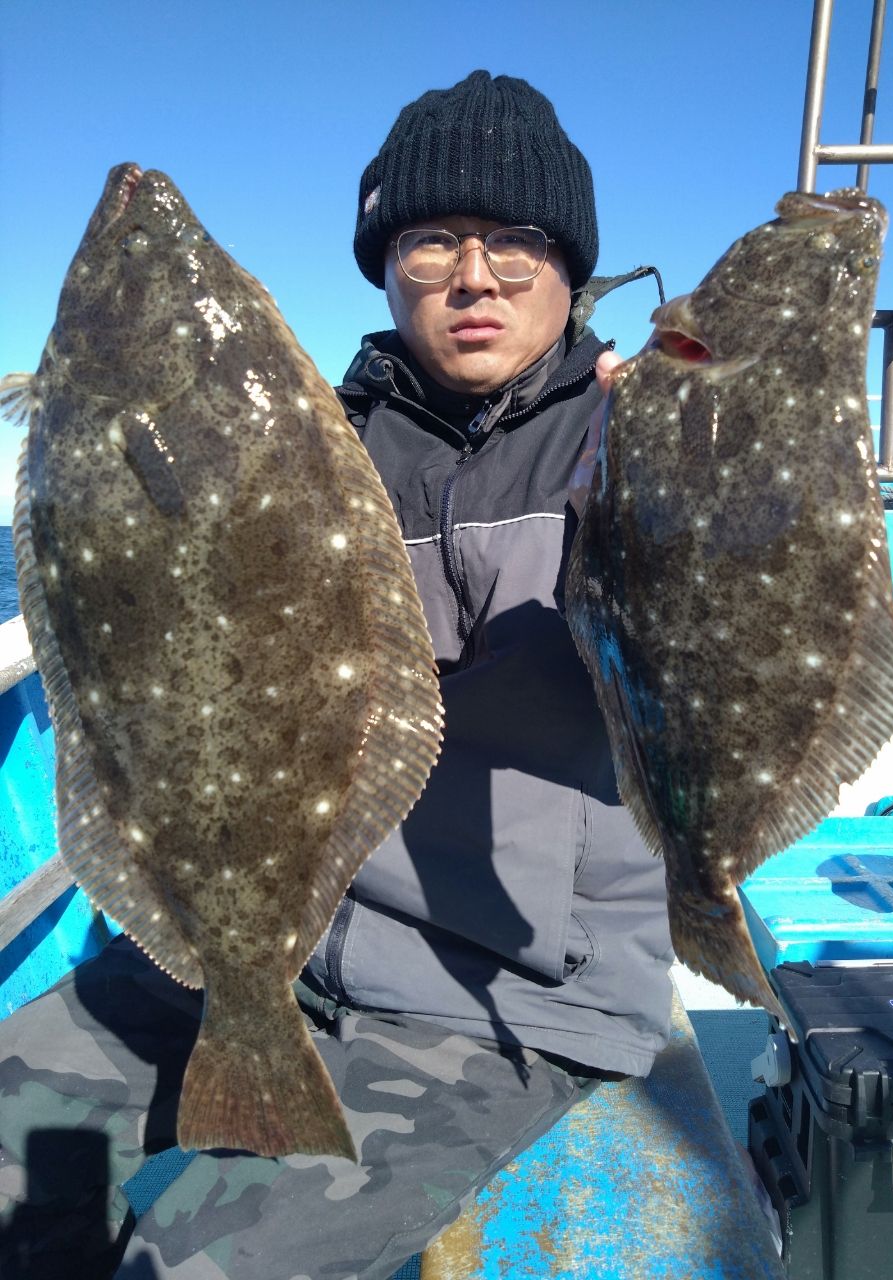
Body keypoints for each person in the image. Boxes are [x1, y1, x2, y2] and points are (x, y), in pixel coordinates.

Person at [0, 70, 672, 1279]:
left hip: (505, 996)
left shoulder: (637, 441)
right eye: (431, 241)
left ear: (572, 264)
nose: (476, 274)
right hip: (275, 946)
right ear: (384, 263)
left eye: (516, 240)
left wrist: (669, 470)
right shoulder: (310, 437)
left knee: (188, 1262)